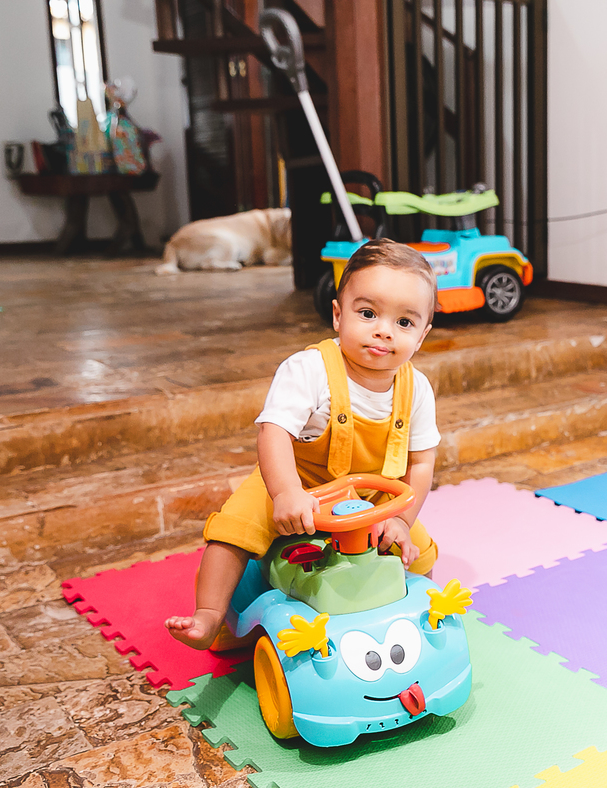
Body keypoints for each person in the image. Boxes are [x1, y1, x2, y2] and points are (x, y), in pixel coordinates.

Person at [166, 239, 440, 649]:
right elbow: (273, 431)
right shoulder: (309, 369)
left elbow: (421, 462)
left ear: (421, 336)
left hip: (367, 495)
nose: (384, 330)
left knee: (421, 548)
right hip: (296, 480)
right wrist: (285, 492)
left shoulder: (416, 388)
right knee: (233, 529)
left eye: (404, 322)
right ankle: (209, 616)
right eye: (368, 314)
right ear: (338, 315)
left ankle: (418, 613)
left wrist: (401, 518)